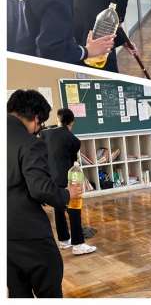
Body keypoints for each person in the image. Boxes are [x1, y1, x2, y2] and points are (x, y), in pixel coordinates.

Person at [7, 90, 82, 298]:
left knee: (17, 292)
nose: (38, 130)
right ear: (36, 118)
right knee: (49, 287)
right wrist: (67, 193)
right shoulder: (29, 143)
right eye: (39, 124)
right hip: (28, 231)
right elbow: (40, 188)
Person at [40, 108, 96, 256]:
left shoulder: (45, 134)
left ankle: (64, 240)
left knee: (58, 207)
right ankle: (78, 244)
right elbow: (73, 163)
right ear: (72, 122)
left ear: (58, 120)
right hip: (68, 178)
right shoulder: (73, 140)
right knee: (74, 209)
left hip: (51, 178)